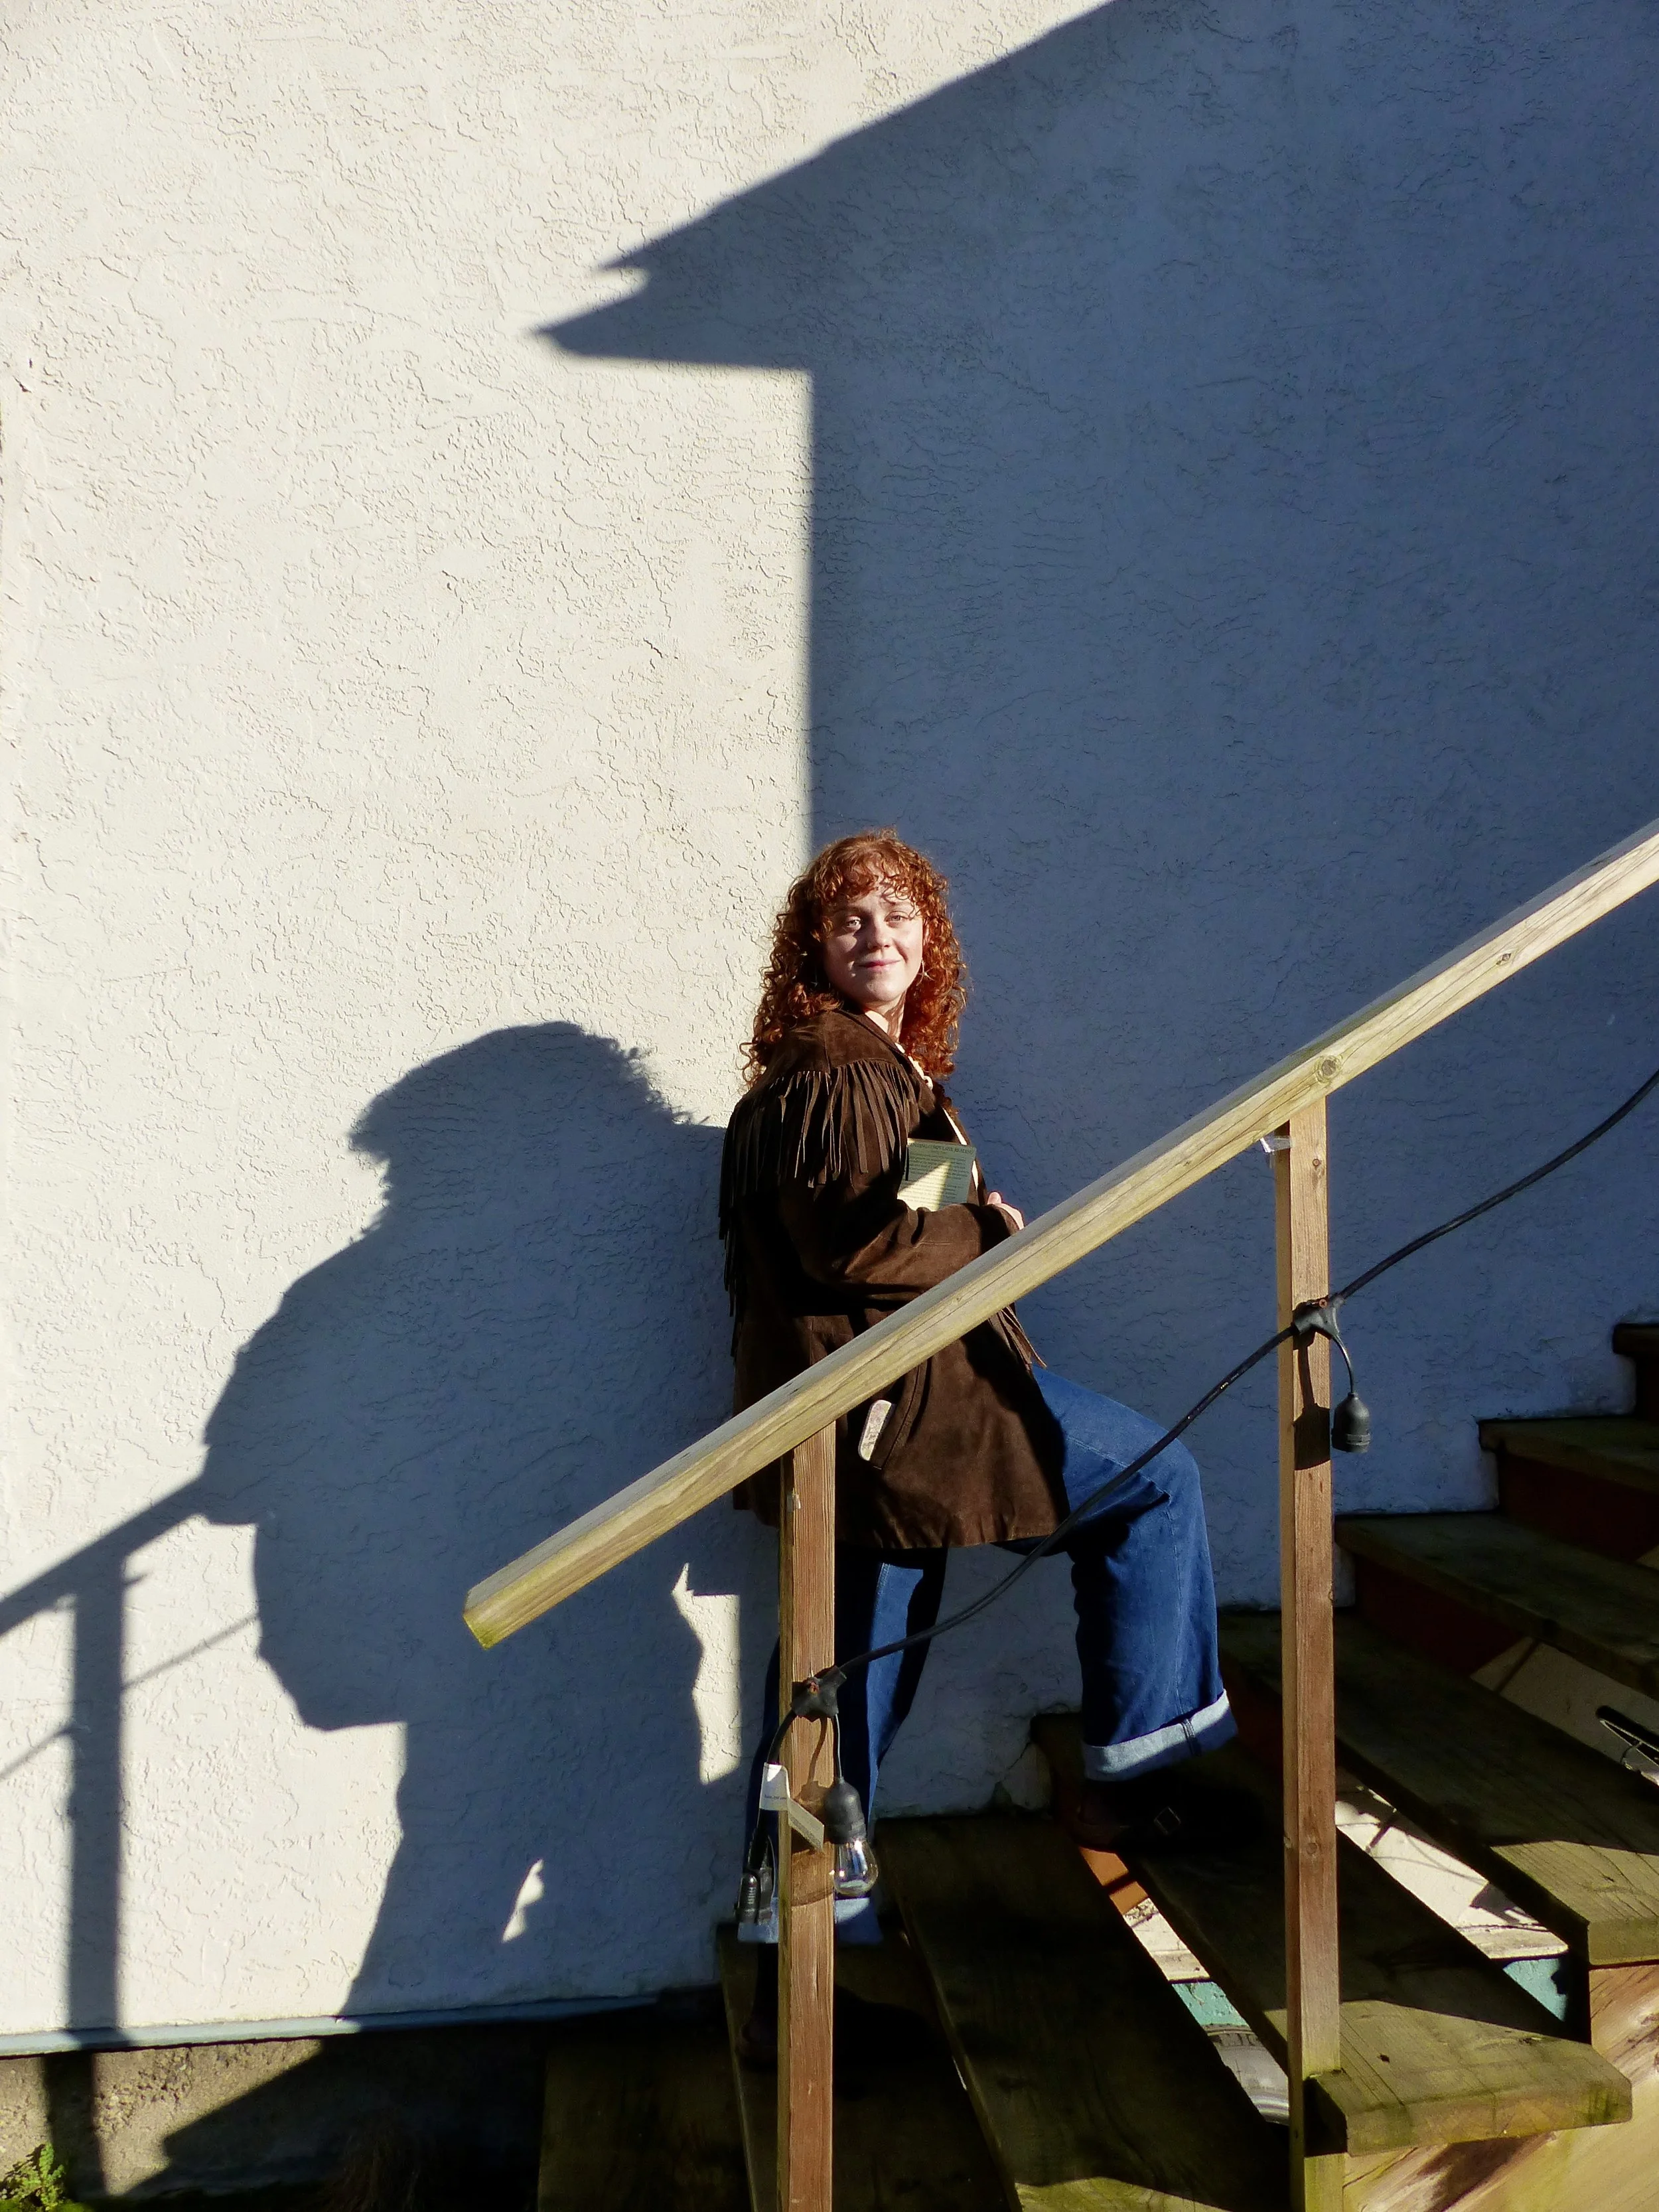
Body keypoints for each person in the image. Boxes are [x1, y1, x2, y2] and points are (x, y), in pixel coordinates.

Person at [721, 830, 1246, 2063]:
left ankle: (785, 1999)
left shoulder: (901, 1075)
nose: (878, 935)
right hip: (891, 1422)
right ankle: (1122, 1771)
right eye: (850, 917)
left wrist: (972, 1221)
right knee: (837, 1703)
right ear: (814, 944)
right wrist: (992, 1237)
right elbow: (856, 1249)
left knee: (837, 1704)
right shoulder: (835, 1069)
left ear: (929, 942)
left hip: (914, 1418)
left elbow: (907, 1220)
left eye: (900, 917)